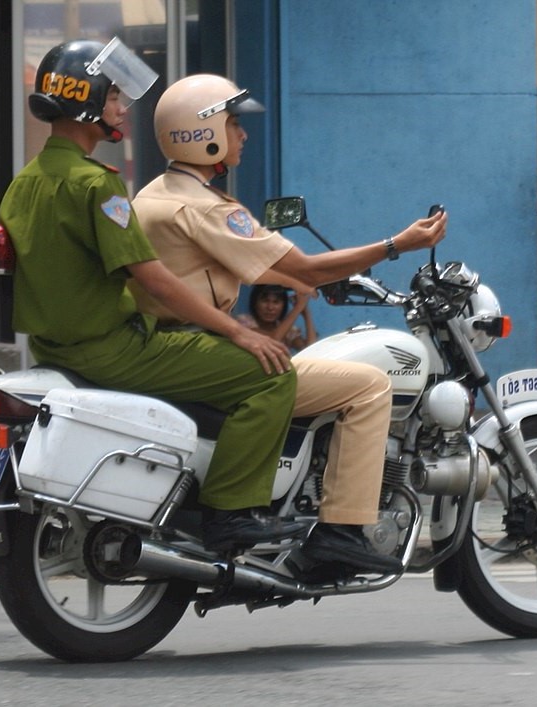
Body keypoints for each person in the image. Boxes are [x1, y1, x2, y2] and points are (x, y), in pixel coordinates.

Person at [130, 74, 447, 578]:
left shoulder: (153, 196)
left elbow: (273, 269)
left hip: (166, 348)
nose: (243, 135)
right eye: (233, 123)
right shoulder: (208, 208)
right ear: (202, 132)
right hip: (198, 351)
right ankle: (340, 532)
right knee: (368, 386)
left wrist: (318, 278)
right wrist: (395, 245)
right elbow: (304, 269)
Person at [0, 39, 308, 553]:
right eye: (114, 95)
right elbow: (152, 277)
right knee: (269, 374)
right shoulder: (95, 184)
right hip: (115, 349)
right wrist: (236, 329)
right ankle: (230, 514)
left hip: (52, 350)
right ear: (86, 101)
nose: (122, 107)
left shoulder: (24, 183)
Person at [238, 284, 317, 353]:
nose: (270, 307)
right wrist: (298, 307)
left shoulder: (288, 330)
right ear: (255, 303)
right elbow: (272, 340)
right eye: (265, 301)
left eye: (276, 302)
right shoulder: (244, 322)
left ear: (283, 306)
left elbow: (310, 351)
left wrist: (306, 314)